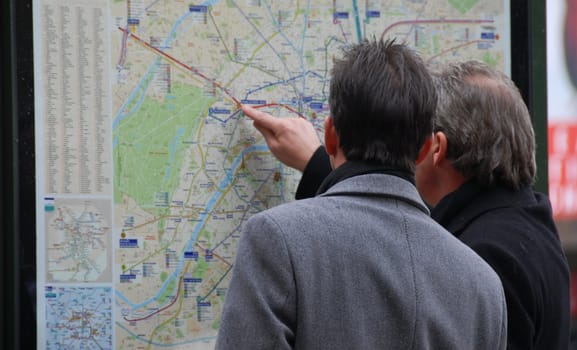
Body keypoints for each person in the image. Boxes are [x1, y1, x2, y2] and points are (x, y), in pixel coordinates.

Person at [243, 59, 570, 349]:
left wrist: (330, 160)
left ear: (435, 148)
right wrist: (322, 164)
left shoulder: (484, 254)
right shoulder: (528, 227)